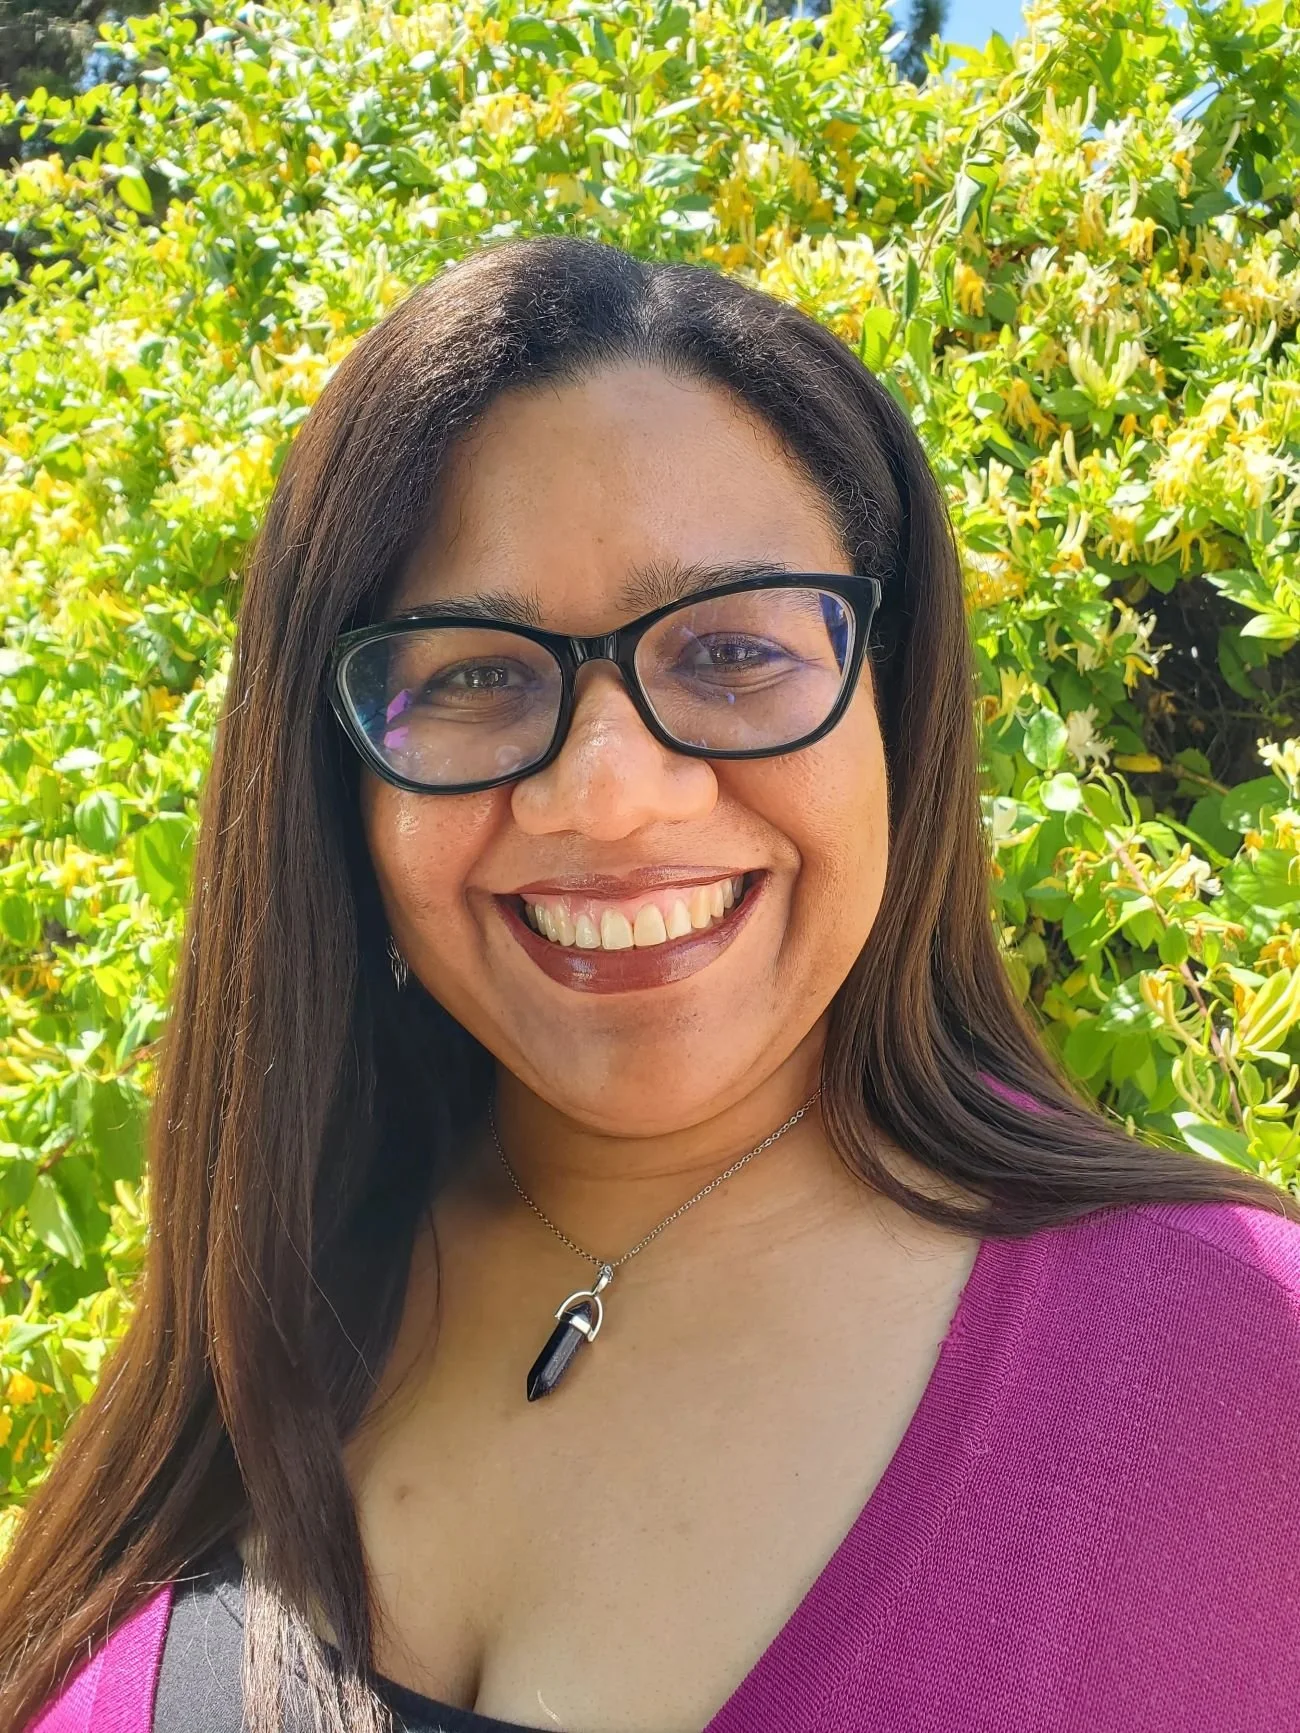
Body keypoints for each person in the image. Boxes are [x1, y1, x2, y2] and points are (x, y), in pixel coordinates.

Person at [2, 236, 1298, 1733]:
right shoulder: (267, 1294)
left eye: (735, 648)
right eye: (476, 672)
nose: (609, 798)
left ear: (897, 696)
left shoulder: (1226, 1361)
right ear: (333, 779)